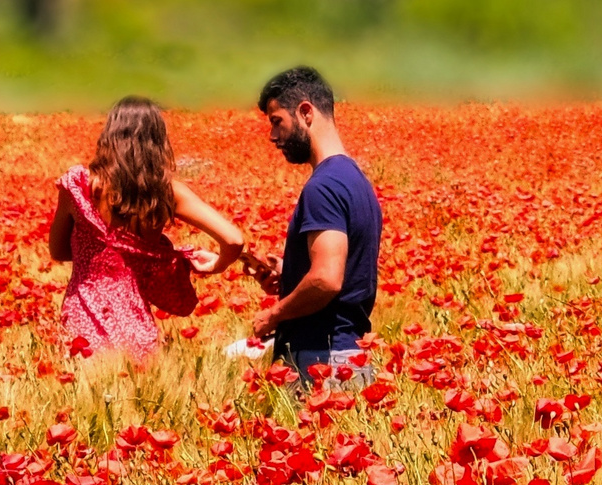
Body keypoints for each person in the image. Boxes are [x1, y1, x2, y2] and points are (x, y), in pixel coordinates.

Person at [49, 96, 247, 360]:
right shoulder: (167, 192)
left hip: (81, 325)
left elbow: (58, 251)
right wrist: (217, 265)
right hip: (135, 329)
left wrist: (95, 254)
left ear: (109, 134)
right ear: (157, 141)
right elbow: (233, 240)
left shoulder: (78, 185)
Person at [246, 67, 382, 389]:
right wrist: (290, 272)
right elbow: (340, 269)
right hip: (351, 358)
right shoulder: (356, 181)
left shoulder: (323, 187)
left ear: (306, 112)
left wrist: (273, 315)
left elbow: (326, 279)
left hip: (323, 359)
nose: (273, 136)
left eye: (277, 121)